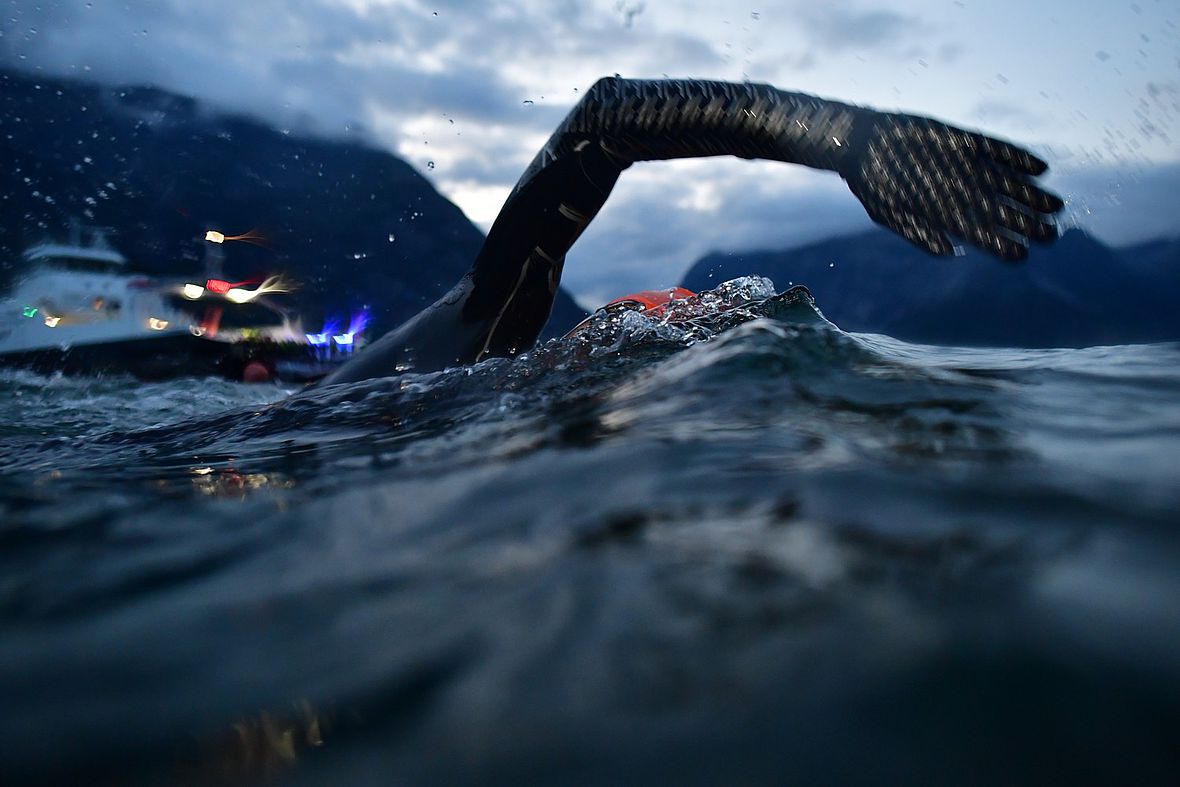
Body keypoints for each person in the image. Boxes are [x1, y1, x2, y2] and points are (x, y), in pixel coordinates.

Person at [319, 76, 1063, 387]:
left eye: (668, 312)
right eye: (655, 312)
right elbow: (602, 118)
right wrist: (842, 136)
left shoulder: (473, 383)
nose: (676, 303)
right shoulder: (468, 342)